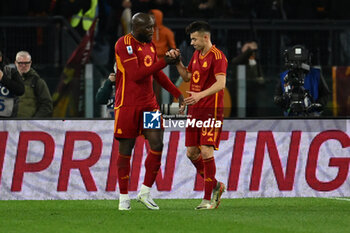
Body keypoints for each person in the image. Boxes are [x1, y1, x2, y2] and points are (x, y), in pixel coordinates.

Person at [113, 12, 185, 210]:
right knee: (126, 150)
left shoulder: (150, 45)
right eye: (147, 28)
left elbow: (156, 73)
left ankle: (145, 192)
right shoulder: (123, 44)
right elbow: (135, 74)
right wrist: (164, 62)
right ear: (134, 28)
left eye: (153, 27)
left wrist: (176, 93)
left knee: (157, 144)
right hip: (127, 106)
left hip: (149, 105)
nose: (152, 31)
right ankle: (123, 197)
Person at [167, 21, 227, 209]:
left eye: (194, 39)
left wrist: (200, 95)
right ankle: (216, 185)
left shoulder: (218, 57)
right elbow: (187, 77)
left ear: (205, 37)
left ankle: (208, 198)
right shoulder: (196, 55)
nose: (191, 42)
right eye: (190, 39)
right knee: (192, 153)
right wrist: (177, 62)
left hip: (212, 110)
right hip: (195, 110)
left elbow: (221, 83)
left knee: (206, 150)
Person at [273, 45, 330, 116]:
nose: (298, 64)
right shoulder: (284, 76)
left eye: (301, 61)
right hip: (290, 116)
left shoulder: (316, 74)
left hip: (312, 116)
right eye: (295, 61)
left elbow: (325, 94)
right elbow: (277, 96)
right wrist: (282, 102)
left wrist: (317, 106)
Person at [231, 41, 265, 117]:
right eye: (248, 49)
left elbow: (261, 79)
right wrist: (249, 50)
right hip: (237, 97)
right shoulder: (239, 61)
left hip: (252, 97)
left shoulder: (254, 63)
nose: (251, 52)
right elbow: (236, 61)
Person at [15, 51, 53, 118]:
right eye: (20, 63)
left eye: (26, 63)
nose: (23, 66)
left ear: (30, 63)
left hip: (28, 125)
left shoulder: (37, 82)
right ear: (16, 63)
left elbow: (47, 105)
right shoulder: (8, 80)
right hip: (9, 124)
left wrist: (34, 121)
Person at [0, 50, 25, 117]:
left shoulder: (10, 72)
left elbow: (21, 90)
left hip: (7, 120)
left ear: (0, 58)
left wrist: (3, 78)